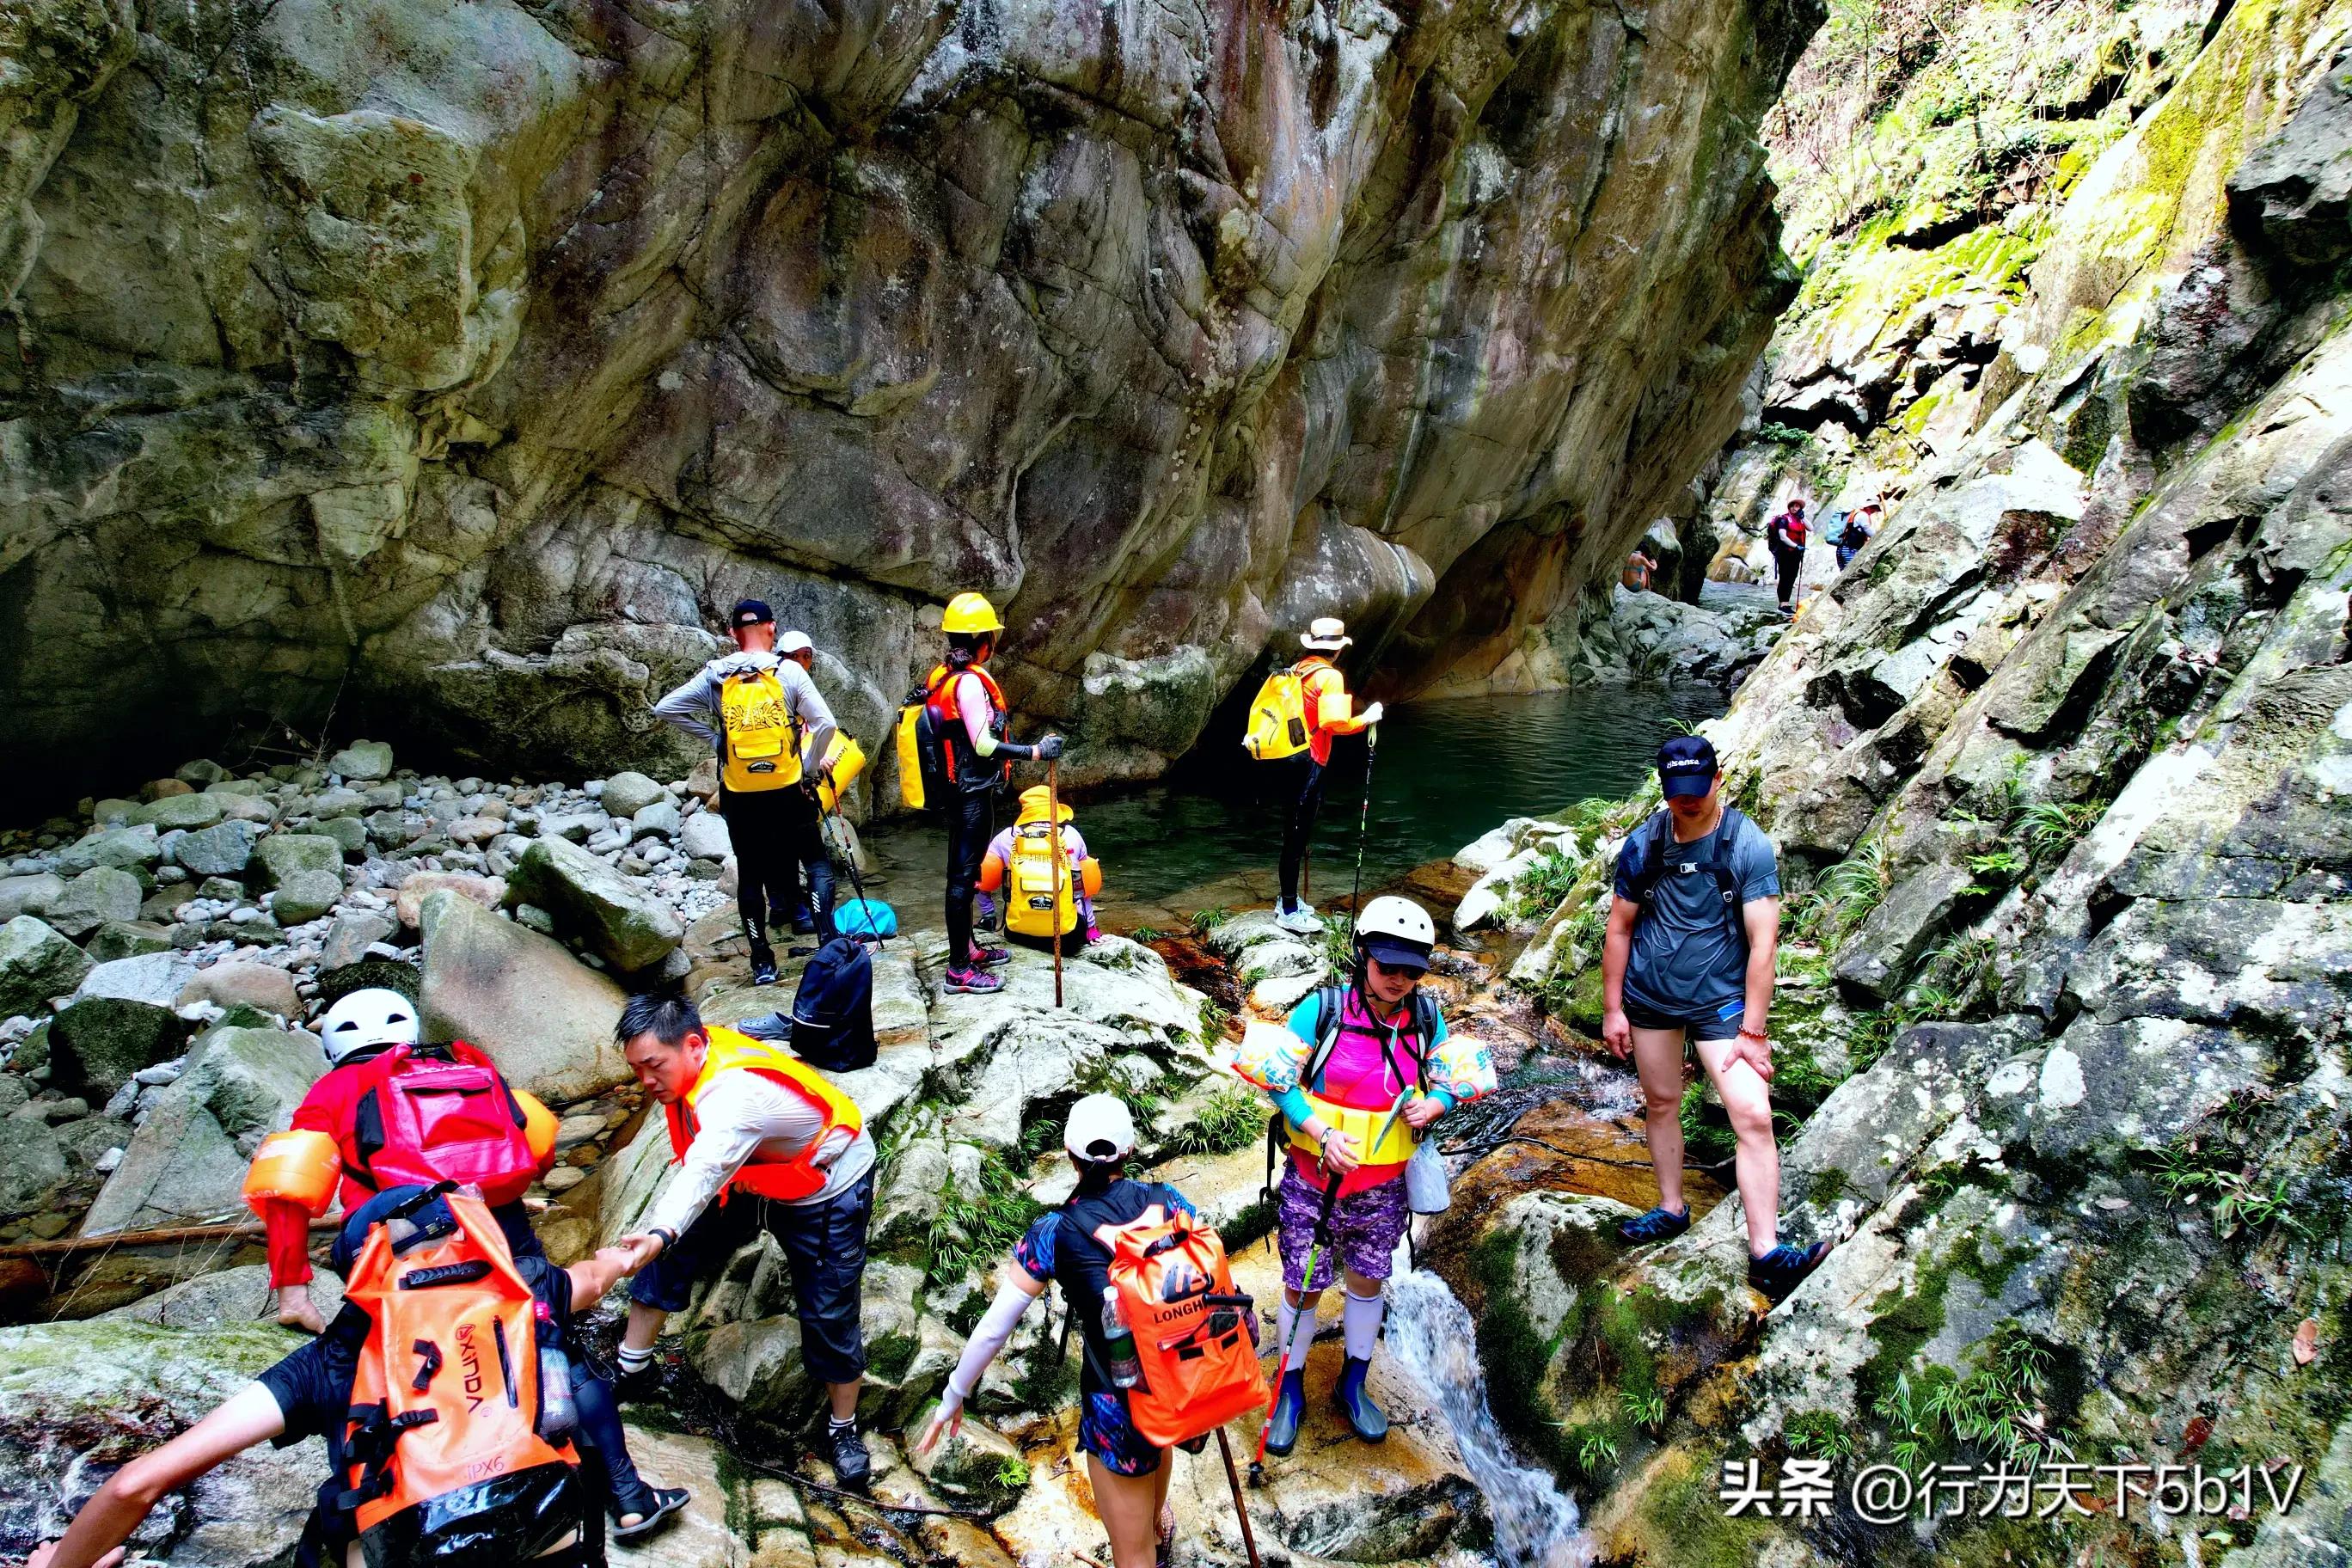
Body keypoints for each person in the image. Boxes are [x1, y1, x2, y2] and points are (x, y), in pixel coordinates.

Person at [239, 989, 687, 1540]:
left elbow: (288, 1190)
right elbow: (537, 1146)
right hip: (500, 1238)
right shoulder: (465, 1063)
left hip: (406, 1257)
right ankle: (629, 1495)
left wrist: (292, 1290)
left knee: (408, 1372)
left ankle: (420, 1501)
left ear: (334, 1045)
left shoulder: (332, 1089)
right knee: (555, 1348)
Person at [24, 1186, 651, 1568]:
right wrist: (633, 1251)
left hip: (415, 1554)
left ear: (359, 1277)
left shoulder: (329, 1359)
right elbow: (597, 1276)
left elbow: (139, 1484)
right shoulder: (527, 1287)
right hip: (546, 1530)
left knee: (338, 1534)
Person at [1229, 896, 1493, 1455]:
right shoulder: (1321, 1010)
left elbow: (1449, 1074)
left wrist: (1438, 1102)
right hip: (1313, 1180)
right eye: (1386, 967)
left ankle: (1354, 1380)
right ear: (1362, 958)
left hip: (1383, 1186)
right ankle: (1290, 1385)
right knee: (1303, 1284)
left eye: (1411, 970)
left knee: (1368, 1278)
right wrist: (1321, 1132)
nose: (1398, 979)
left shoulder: (1425, 1017)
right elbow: (1280, 1081)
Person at [608, 992, 879, 1487]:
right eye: (637, 1069)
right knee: (671, 1251)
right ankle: (633, 1366)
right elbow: (706, 1167)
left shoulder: (734, 1099)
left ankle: (843, 1428)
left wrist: (658, 1231)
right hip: (755, 1171)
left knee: (828, 1307)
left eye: (653, 1067)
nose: (646, 1082)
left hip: (824, 1185)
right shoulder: (698, 1052)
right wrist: (662, 1238)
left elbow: (704, 1169)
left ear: (692, 1046)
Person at [914, 1096, 1193, 1568]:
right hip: (1178, 1380)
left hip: (1117, 1399)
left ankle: (1147, 1543)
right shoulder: (1170, 1200)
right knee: (1152, 1464)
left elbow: (992, 1330)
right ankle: (1152, 1530)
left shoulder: (1055, 1231)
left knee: (1132, 1554)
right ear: (1129, 1149)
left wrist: (954, 1394)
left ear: (1068, 1152)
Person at [1601, 735, 1830, 1304]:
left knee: (1752, 1114)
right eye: (1678, 795)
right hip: (1652, 996)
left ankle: (1767, 1253)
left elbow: (1763, 943)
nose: (1689, 803)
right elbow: (1620, 928)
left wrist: (1753, 1030)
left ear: (1718, 779)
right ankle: (1672, 1208)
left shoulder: (1745, 844)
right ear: (1664, 790)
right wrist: (1612, 1009)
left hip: (1722, 1003)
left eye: (1698, 792)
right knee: (1661, 1102)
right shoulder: (1645, 844)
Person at [652, 599, 839, 984]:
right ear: (772, 629)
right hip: (787, 789)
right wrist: (806, 767)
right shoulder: (788, 671)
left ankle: (762, 962)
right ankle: (829, 945)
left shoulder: (716, 676)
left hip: (740, 793)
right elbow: (825, 725)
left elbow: (666, 708)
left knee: (751, 876)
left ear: (732, 634)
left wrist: (715, 738)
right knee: (817, 863)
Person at [915, 591, 1065, 995]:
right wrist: (1034, 751)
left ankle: (967, 948)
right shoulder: (968, 684)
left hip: (955, 788)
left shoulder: (942, 676)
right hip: (970, 792)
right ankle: (959, 970)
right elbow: (982, 744)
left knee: (962, 871)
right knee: (963, 878)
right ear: (984, 640)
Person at [1271, 617, 1382, 936]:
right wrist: (1367, 718)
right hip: (1309, 760)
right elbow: (1336, 724)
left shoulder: (1298, 669)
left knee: (1293, 833)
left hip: (1288, 756)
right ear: (1337, 650)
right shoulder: (1329, 677)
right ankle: (1288, 909)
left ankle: (1288, 901)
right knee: (1296, 835)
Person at [977, 783, 1105, 945]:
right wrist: (1090, 928)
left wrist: (988, 914)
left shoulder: (1006, 837)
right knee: (1087, 868)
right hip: (1067, 937)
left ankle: (988, 919)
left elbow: (981, 877)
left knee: (983, 866)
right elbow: (1084, 887)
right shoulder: (1072, 835)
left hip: (1018, 934)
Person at [1766, 499, 1810, 615]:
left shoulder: (1800, 520)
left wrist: (1803, 517)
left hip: (1796, 553)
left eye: (1798, 507)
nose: (1796, 508)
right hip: (1785, 552)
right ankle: (1783, 605)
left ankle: (1786, 604)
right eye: (1794, 506)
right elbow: (1783, 537)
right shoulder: (1784, 519)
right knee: (1785, 577)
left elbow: (1811, 528)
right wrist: (1796, 546)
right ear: (1789, 507)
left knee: (1791, 578)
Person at [1836, 498, 1881, 571]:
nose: (1873, 512)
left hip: (1841, 549)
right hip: (1850, 550)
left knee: (1844, 574)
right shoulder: (1863, 516)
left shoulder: (1853, 513)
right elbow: (1872, 534)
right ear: (1869, 507)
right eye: (1873, 510)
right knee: (1851, 573)